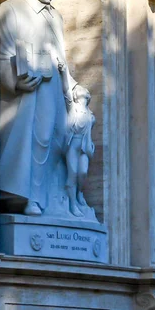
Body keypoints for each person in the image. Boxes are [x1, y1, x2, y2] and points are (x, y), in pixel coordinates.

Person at [0, 0, 77, 216]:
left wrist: (70, 87)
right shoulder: (10, 9)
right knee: (37, 139)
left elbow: (61, 54)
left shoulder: (56, 16)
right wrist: (14, 81)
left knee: (57, 139)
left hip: (54, 87)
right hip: (29, 91)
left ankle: (49, 198)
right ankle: (29, 197)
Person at [57, 60, 95, 217]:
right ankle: (72, 204)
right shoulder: (72, 108)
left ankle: (79, 194)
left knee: (83, 173)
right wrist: (64, 72)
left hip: (84, 147)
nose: (79, 90)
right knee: (72, 173)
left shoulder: (91, 116)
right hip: (73, 145)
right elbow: (66, 89)